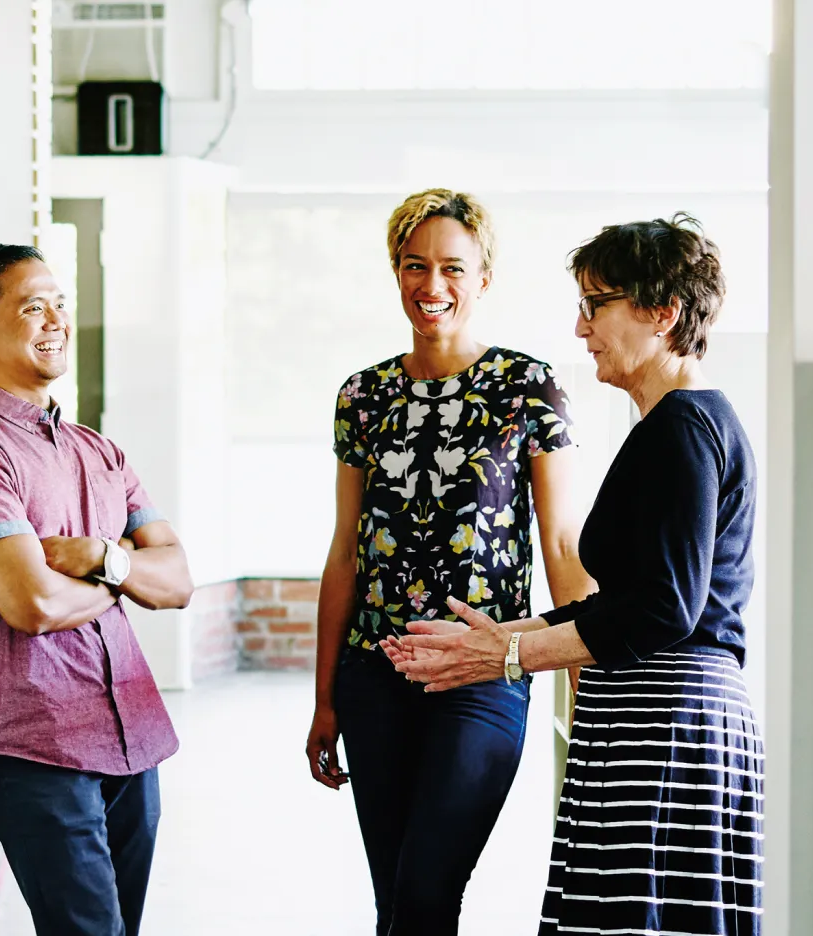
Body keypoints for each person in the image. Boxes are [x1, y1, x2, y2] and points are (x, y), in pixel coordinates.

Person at [391, 214, 763, 935]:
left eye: (597, 305)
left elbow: (664, 610)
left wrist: (509, 654)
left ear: (663, 312)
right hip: (653, 721)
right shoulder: (673, 424)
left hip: (668, 726)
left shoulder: (683, 429)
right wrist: (502, 636)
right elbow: (635, 598)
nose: (581, 327)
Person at [306, 189, 596, 935]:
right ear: (395, 273)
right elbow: (346, 550)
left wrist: (583, 679)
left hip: (484, 672)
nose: (431, 286)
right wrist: (325, 696)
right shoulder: (361, 396)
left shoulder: (529, 387)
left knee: (429, 891)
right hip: (376, 674)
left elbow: (561, 545)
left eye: (451, 268)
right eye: (414, 266)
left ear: (483, 279)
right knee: (396, 903)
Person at [0, 244, 193, 936]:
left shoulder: (98, 451)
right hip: (36, 745)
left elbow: (179, 580)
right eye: (32, 306)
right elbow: (31, 602)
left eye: (60, 304)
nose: (55, 321)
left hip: (132, 737)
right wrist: (126, 572)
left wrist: (102, 558)